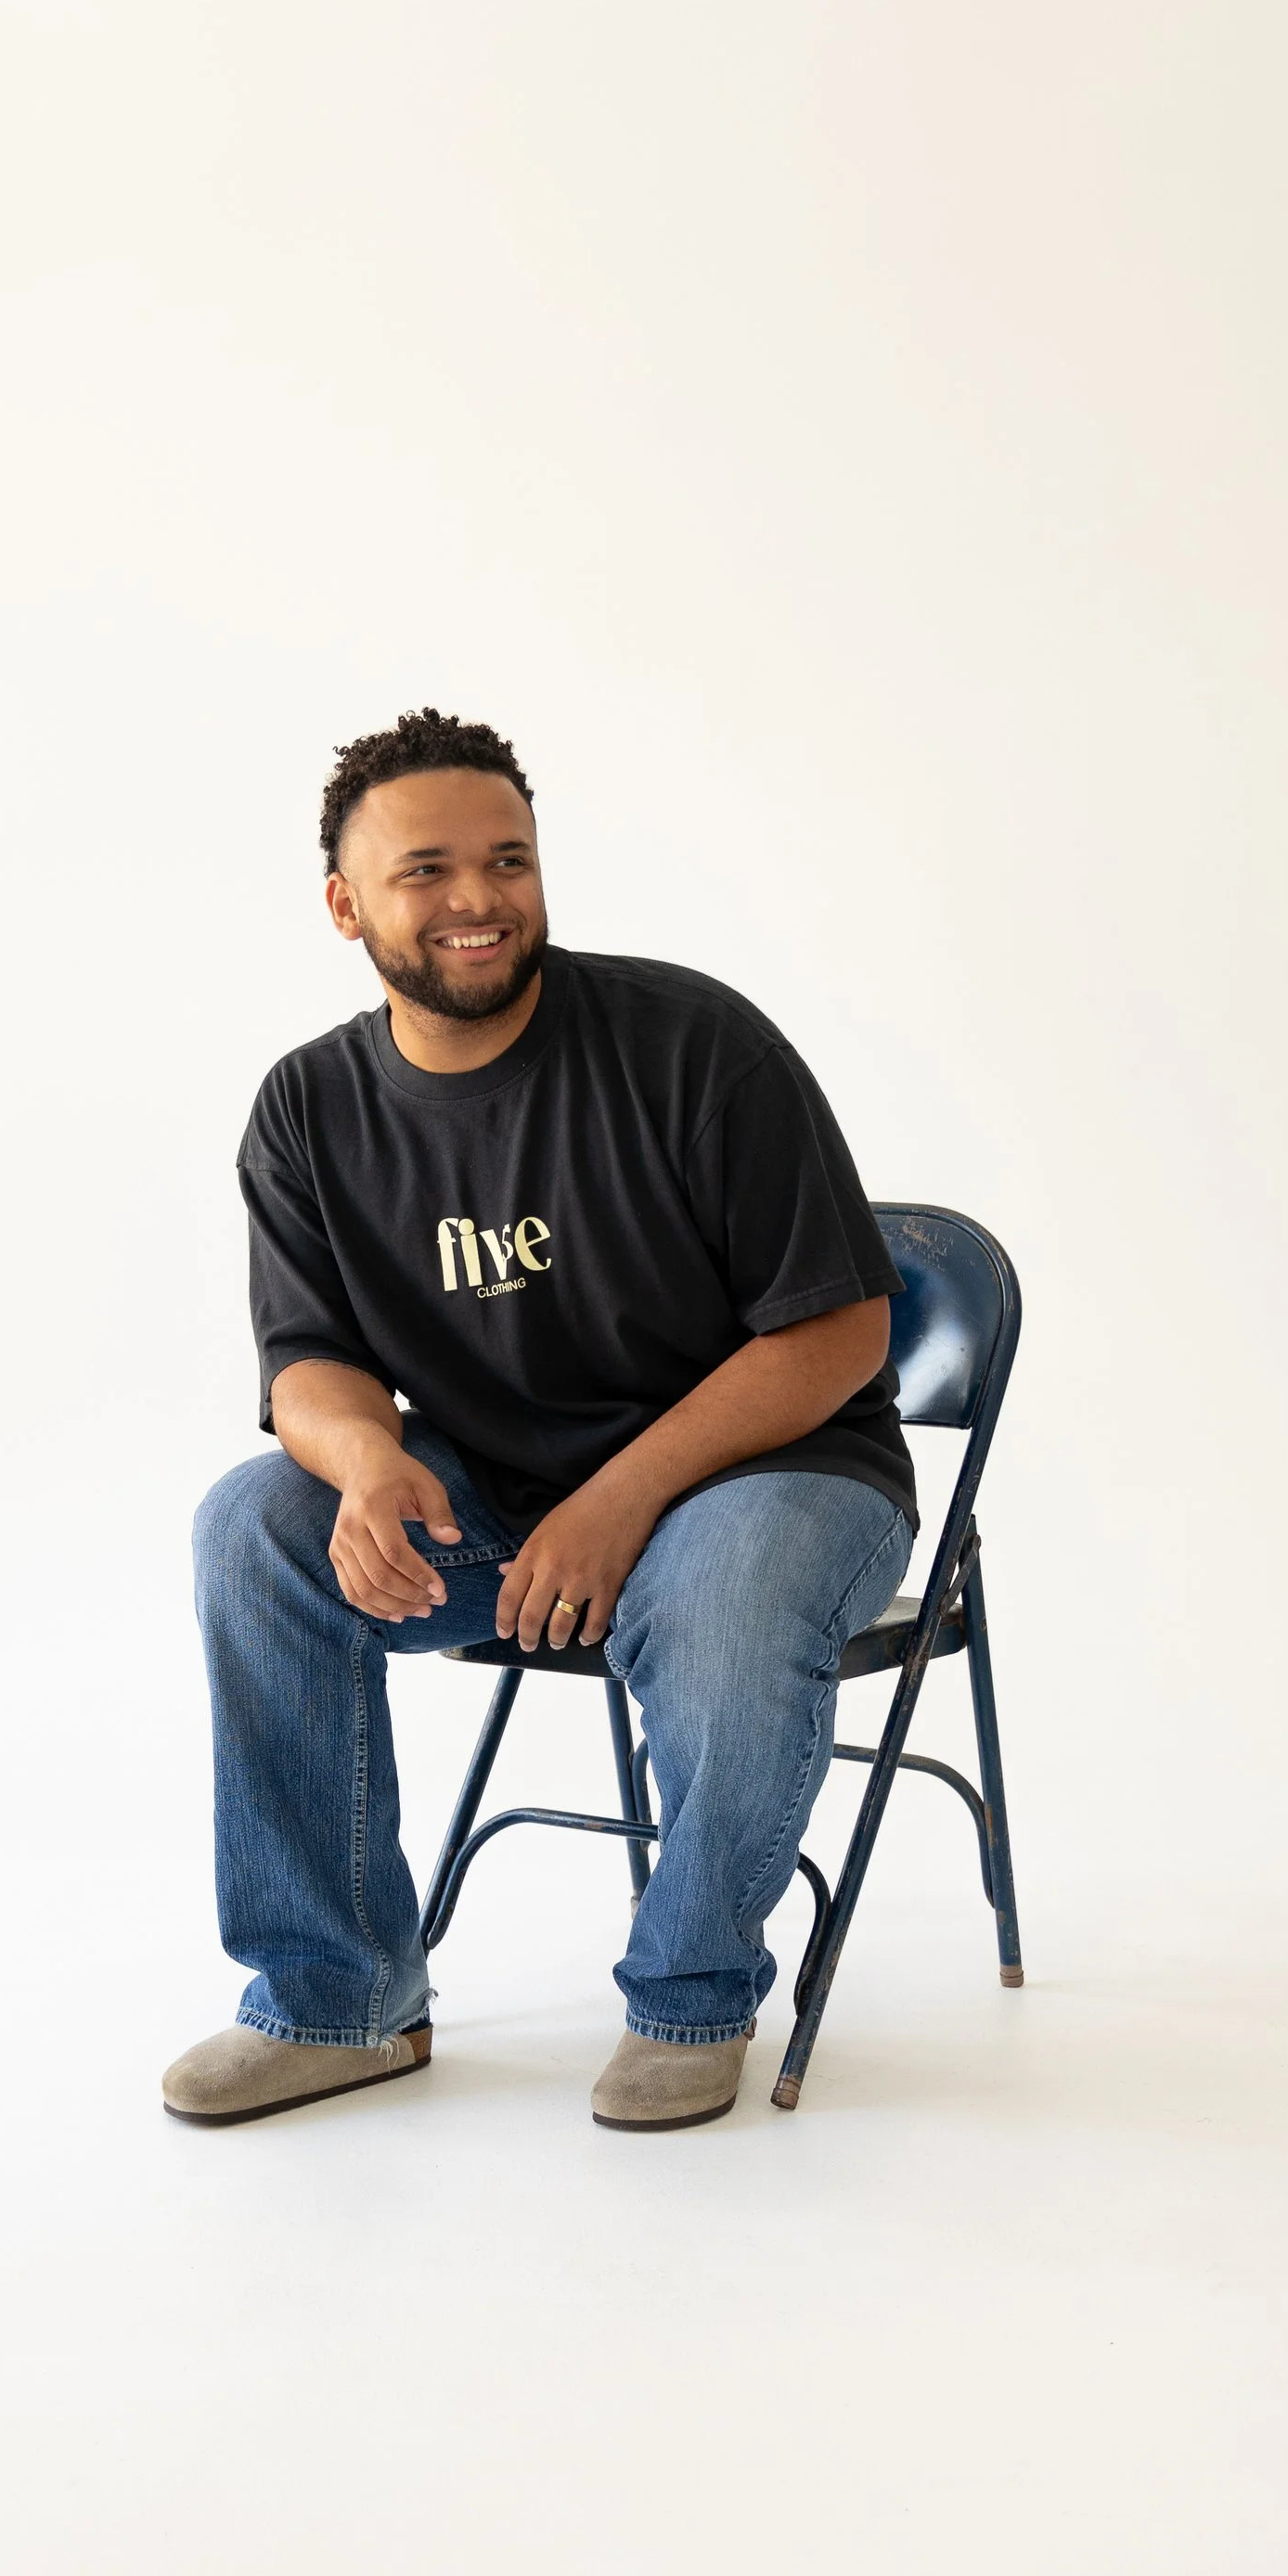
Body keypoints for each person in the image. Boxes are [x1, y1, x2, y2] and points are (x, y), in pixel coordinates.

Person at [164, 706, 916, 2134]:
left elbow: (840, 1329)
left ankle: (691, 1995)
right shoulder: (311, 1108)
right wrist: (367, 1460)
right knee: (255, 1526)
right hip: (509, 1499)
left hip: (778, 1471)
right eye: (427, 869)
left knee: (724, 1585)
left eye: (508, 859)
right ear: (345, 906)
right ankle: (339, 1999)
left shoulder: (692, 1046)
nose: (480, 898)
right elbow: (309, 1361)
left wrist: (621, 1499)